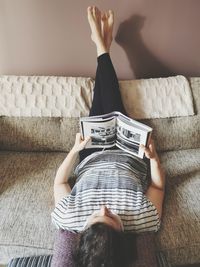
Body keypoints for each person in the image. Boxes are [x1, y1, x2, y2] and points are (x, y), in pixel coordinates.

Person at [51, 6, 165, 267]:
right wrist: (153, 158)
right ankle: (101, 45)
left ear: (82, 232)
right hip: (128, 152)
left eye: (95, 217)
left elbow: (59, 184)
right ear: (123, 235)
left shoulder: (68, 218)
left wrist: (73, 150)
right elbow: (158, 187)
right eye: (112, 217)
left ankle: (102, 45)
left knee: (103, 103)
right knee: (111, 104)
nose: (103, 209)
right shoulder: (144, 219)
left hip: (91, 154)